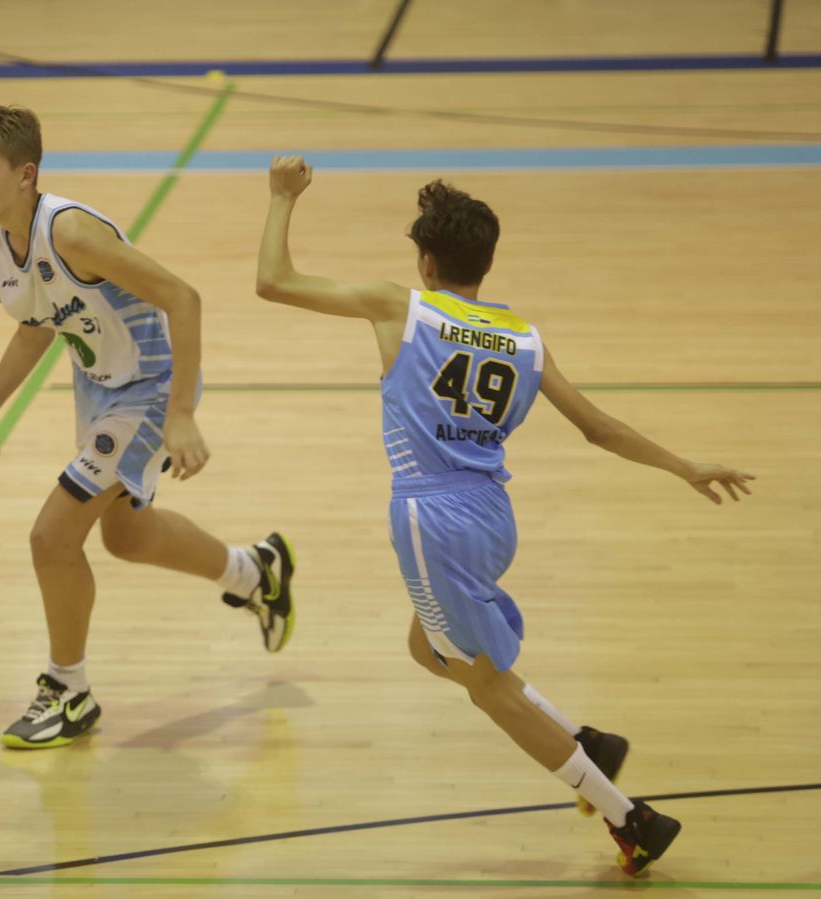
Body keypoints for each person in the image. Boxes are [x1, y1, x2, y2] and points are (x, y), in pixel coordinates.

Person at [254, 157, 755, 875]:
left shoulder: (403, 306)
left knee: (486, 685)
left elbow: (274, 281)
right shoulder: (523, 338)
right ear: (485, 262)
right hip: (491, 513)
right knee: (427, 648)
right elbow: (597, 426)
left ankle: (630, 816)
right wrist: (683, 465)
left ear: (425, 261)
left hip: (432, 517)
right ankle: (582, 735)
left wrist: (280, 198)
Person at [0, 106, 295, 749]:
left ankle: (69, 689)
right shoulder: (2, 239)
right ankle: (256, 573)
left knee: (51, 538)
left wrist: (180, 416)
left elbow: (183, 297)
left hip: (152, 386)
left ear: (26, 175)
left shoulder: (72, 233)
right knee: (128, 537)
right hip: (101, 386)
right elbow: (36, 329)